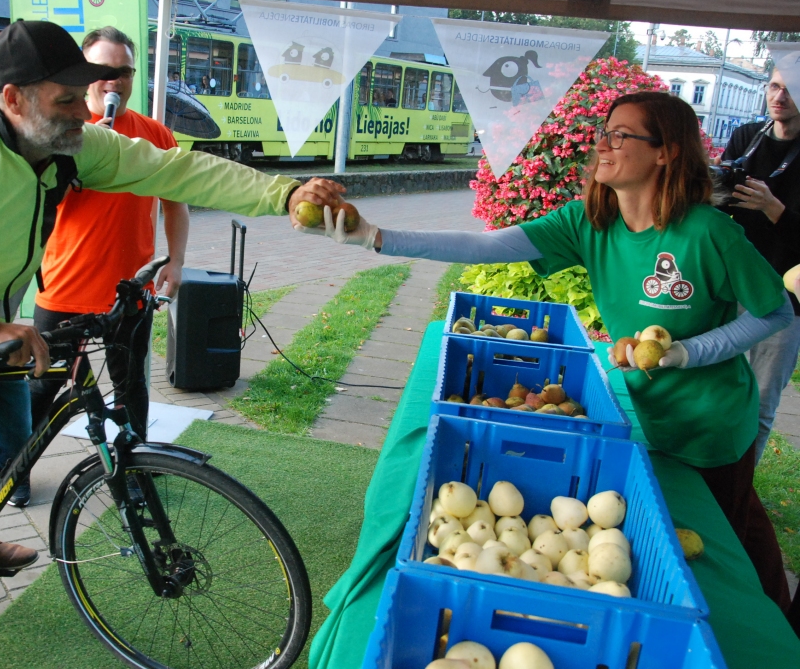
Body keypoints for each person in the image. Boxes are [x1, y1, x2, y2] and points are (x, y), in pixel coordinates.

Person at [0, 19, 344, 669]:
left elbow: (172, 170)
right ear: (13, 99)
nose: (86, 111)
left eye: (85, 95)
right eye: (67, 100)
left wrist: (285, 192)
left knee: (8, 453)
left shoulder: (68, 146)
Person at [294, 91, 796, 619]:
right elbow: (487, 247)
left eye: (620, 135)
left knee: (726, 548)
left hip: (713, 426)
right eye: (604, 130)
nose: (602, 143)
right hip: (651, 414)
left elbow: (774, 312)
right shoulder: (589, 221)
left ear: (667, 152)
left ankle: (778, 629)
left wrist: (688, 352)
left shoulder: (709, 232)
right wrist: (375, 237)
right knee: (690, 532)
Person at [18, 26, 186, 507]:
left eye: (123, 72)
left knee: (131, 388)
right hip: (64, 291)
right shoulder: (58, 131)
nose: (113, 82)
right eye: (102, 72)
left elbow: (177, 202)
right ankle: (17, 467)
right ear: (82, 76)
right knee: (41, 389)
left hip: (128, 294)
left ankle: (132, 469)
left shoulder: (154, 135)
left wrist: (176, 259)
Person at [717, 68, 800, 464]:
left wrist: (774, 208)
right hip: (732, 284)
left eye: (789, 89)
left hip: (785, 300)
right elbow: (719, 196)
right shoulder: (747, 137)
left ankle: (741, 486)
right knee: (715, 385)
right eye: (773, 86)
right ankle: (710, 468)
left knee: (762, 402)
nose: (778, 96)